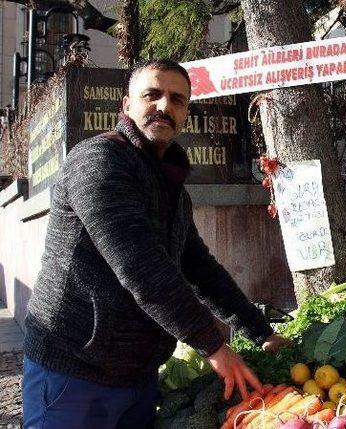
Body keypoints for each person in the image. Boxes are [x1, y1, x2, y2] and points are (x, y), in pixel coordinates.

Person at [22, 59, 291, 429]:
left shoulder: (172, 189)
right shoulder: (98, 161)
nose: (165, 106)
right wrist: (212, 345)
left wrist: (261, 333)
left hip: (138, 377)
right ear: (126, 105)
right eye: (152, 94)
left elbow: (200, 268)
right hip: (73, 371)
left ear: (185, 115)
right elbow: (141, 267)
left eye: (178, 100)